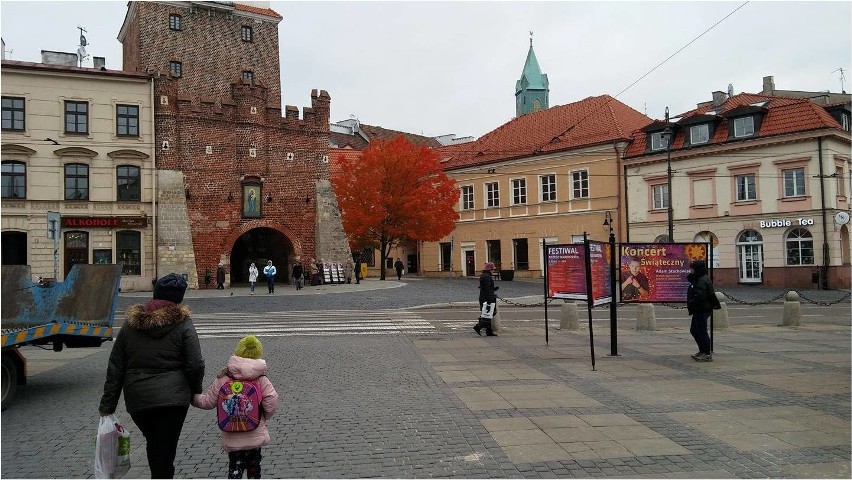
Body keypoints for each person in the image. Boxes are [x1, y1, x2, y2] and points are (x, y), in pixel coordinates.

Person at [99, 273, 205, 479]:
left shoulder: (130, 324)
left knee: (156, 445)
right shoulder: (183, 323)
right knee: (163, 451)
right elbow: (195, 364)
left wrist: (107, 406)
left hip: (138, 400)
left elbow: (116, 367)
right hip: (173, 400)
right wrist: (195, 391)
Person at [192, 336, 278, 479]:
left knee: (235, 468)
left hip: (232, 433)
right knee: (254, 467)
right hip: (255, 431)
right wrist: (263, 416)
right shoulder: (261, 378)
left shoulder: (224, 377)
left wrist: (192, 398)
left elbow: (207, 401)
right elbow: (272, 399)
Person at [686, 260, 721, 362]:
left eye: (692, 268)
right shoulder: (699, 278)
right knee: (694, 330)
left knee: (701, 331)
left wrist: (691, 302)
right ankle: (702, 350)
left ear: (697, 269)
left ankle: (706, 353)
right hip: (699, 309)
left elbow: (700, 296)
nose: (691, 270)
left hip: (702, 309)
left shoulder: (702, 280)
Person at [474, 262, 499, 336]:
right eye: (493, 269)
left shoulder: (484, 276)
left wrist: (493, 289)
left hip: (484, 298)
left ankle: (489, 331)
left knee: (488, 314)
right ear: (490, 269)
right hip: (487, 298)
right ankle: (478, 326)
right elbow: (487, 290)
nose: (493, 271)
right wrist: (491, 299)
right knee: (489, 314)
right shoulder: (487, 277)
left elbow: (485, 288)